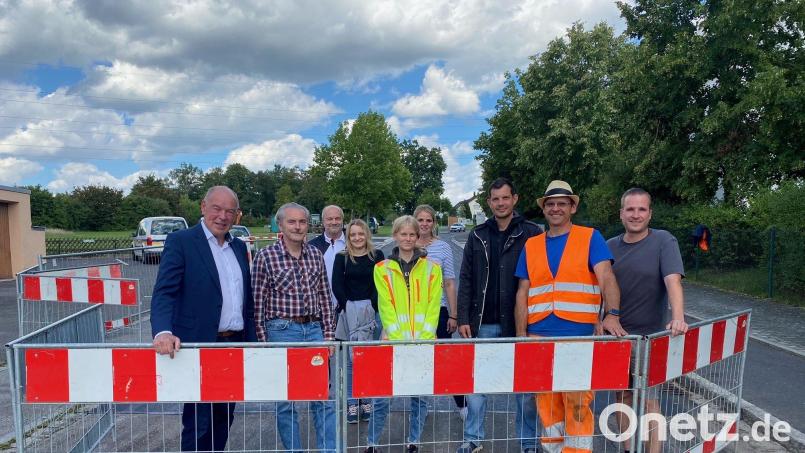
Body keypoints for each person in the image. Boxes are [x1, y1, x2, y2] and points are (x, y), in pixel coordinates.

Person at [514, 180, 626, 453]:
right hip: (539, 337)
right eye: (550, 204)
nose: (555, 208)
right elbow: (522, 292)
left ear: (572, 207)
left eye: (562, 203)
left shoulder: (590, 237)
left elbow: (606, 277)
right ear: (544, 209)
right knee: (547, 406)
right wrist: (520, 335)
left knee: (578, 404)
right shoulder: (531, 245)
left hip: (579, 337)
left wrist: (612, 315)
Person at [150, 186, 257, 452]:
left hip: (233, 346)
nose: (223, 216)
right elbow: (165, 291)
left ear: (236, 215)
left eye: (230, 211)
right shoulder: (182, 242)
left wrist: (253, 341)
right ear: (203, 207)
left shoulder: (239, 246)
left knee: (224, 418)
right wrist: (162, 331)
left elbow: (247, 300)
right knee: (199, 421)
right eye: (217, 208)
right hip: (199, 345)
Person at [456, 178, 542, 453]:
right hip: (483, 323)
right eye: (495, 199)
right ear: (489, 202)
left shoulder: (531, 233)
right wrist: (464, 318)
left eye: (506, 198)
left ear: (514, 199)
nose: (501, 203)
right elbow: (466, 277)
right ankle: (473, 440)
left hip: (518, 323)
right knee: (477, 387)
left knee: (525, 390)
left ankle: (528, 443)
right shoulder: (478, 234)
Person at [607, 188, 688, 453]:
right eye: (630, 209)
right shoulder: (609, 247)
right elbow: (599, 289)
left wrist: (678, 318)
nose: (636, 214)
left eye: (642, 209)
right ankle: (630, 449)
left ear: (650, 213)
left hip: (649, 339)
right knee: (622, 397)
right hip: (617, 339)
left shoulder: (664, 241)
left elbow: (672, 280)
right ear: (621, 214)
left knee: (650, 401)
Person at [252, 202, 336, 453]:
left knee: (323, 397)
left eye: (302, 222)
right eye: (292, 222)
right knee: (286, 401)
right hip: (281, 330)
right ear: (281, 224)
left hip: (314, 330)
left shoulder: (315, 254)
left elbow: (324, 295)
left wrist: (329, 335)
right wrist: (264, 343)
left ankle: (328, 449)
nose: (298, 227)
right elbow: (258, 302)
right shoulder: (265, 256)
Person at [365, 215, 443, 453]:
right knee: (382, 397)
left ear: (418, 237)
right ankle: (371, 442)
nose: (408, 238)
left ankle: (413, 441)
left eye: (412, 234)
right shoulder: (382, 269)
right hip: (393, 342)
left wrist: (424, 336)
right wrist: (400, 338)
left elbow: (433, 306)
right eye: (403, 234)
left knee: (419, 397)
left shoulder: (432, 268)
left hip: (422, 342)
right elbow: (385, 306)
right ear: (395, 236)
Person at [413, 204, 468, 419]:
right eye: (421, 220)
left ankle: (461, 404)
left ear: (434, 223)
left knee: (445, 359)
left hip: (440, 310)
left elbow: (450, 282)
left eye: (428, 220)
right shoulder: (408, 244)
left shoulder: (443, 247)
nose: (424, 224)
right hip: (414, 313)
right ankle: (420, 408)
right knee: (418, 361)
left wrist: (454, 314)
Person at [331, 219, 385, 423]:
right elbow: (337, 285)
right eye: (352, 234)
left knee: (369, 359)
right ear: (348, 236)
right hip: (348, 314)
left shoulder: (377, 256)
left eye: (360, 233)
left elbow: (380, 283)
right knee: (351, 362)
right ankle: (353, 402)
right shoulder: (342, 257)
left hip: (372, 314)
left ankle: (367, 400)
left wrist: (371, 306)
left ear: (366, 234)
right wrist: (349, 307)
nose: (357, 238)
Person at [309, 205, 347, 309]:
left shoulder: (352, 243)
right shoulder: (312, 246)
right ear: (323, 221)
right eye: (329, 219)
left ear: (342, 220)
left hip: (349, 306)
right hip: (321, 307)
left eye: (337, 218)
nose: (334, 222)